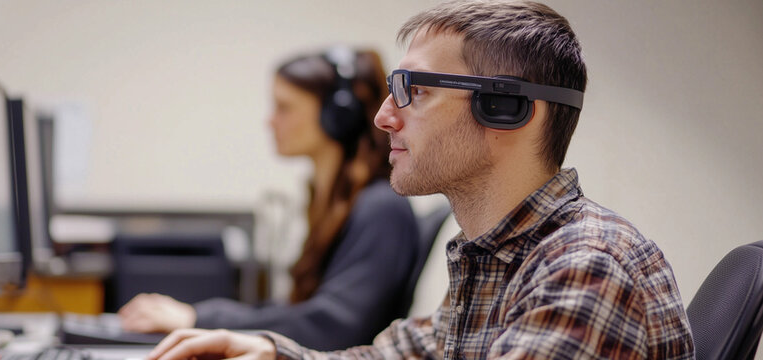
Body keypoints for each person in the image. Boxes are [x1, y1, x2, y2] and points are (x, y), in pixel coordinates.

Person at [144, 1, 696, 359]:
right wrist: (266, 351)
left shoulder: (584, 266)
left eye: (416, 90)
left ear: (505, 108)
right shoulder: (493, 256)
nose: (384, 116)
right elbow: (399, 354)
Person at [117, 47, 420, 351]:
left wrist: (197, 318)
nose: (270, 121)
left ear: (336, 116)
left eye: (284, 107)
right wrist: (201, 317)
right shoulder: (334, 203)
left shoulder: (381, 208)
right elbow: (299, 310)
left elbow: (330, 326)